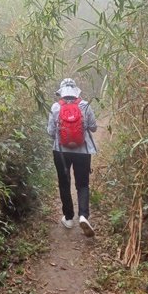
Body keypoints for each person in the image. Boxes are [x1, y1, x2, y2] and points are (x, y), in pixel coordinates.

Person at [47, 78, 97, 237]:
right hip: (83, 152)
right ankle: (83, 215)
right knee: (83, 184)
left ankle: (68, 218)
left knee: (64, 183)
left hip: (60, 151)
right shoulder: (85, 105)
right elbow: (94, 128)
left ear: (61, 92)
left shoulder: (55, 107)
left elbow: (50, 132)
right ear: (76, 91)